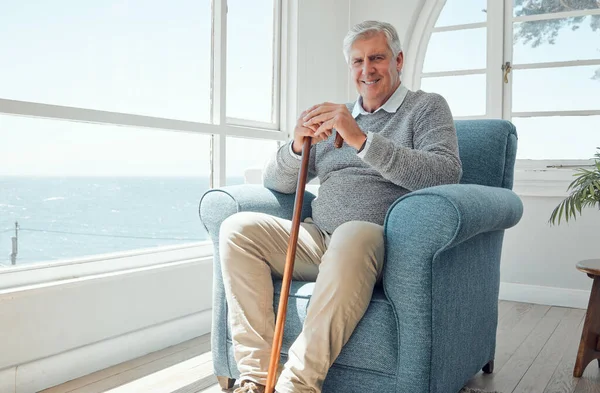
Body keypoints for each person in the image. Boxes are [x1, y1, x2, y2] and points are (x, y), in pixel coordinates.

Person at [219, 20, 462, 393]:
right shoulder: (336, 118)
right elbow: (277, 181)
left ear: (398, 59)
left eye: (377, 57)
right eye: (358, 61)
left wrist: (362, 140)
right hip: (319, 238)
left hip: (378, 243)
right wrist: (297, 146)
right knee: (237, 230)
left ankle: (297, 385)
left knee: (352, 232)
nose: (367, 69)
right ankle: (255, 377)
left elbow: (444, 174)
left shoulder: (425, 108)